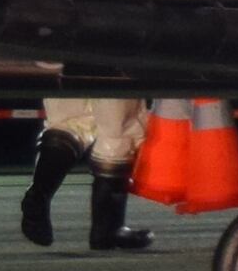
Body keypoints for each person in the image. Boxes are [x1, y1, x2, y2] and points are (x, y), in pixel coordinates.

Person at [17, 94, 152, 249]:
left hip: (66, 70)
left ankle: (37, 196)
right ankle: (107, 229)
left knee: (68, 122)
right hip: (114, 72)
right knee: (118, 131)